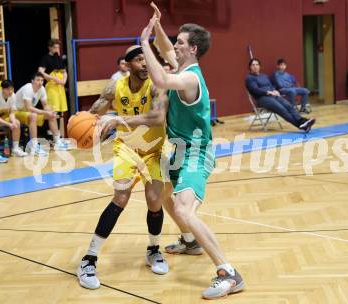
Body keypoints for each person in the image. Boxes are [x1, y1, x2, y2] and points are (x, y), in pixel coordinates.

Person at [103, 5, 245, 299]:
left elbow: (162, 80)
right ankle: (190, 241)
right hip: (177, 151)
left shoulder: (190, 78)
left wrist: (143, 43)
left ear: (192, 49)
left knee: (183, 207)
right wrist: (156, 25)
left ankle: (229, 273)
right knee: (162, 193)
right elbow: (166, 49)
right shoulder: (182, 65)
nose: (174, 45)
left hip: (196, 152)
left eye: (180, 42)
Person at [76, 45, 169, 290]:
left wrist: (119, 119)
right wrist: (82, 124)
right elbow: (95, 112)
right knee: (120, 197)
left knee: (154, 201)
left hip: (154, 149)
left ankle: (153, 250)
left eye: (146, 59)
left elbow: (158, 118)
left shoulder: (157, 85)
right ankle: (89, 259)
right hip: (127, 149)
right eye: (139, 60)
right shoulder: (115, 86)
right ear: (127, 65)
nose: (145, 64)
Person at [246, 58, 316, 132]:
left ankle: (302, 121)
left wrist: (275, 90)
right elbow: (255, 90)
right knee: (282, 109)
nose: (255, 66)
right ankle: (300, 125)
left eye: (257, 64)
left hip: (272, 96)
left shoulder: (264, 76)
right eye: (253, 65)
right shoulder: (249, 78)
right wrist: (268, 92)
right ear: (250, 67)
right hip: (262, 99)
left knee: (289, 106)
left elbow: (271, 86)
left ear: (259, 66)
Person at [15, 72, 70, 155]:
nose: (40, 82)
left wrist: (50, 112)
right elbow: (29, 108)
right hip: (16, 113)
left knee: (51, 116)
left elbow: (45, 105)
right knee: (33, 116)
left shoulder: (42, 89)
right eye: (38, 80)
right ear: (32, 81)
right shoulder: (28, 88)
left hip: (27, 113)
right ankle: (34, 146)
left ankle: (57, 142)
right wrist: (45, 112)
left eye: (42, 80)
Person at [38, 38, 68, 114]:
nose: (57, 49)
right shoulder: (46, 58)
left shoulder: (59, 58)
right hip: (51, 87)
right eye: (55, 47)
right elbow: (40, 72)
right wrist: (53, 78)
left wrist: (64, 80)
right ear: (50, 48)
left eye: (58, 47)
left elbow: (64, 72)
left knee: (60, 113)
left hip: (60, 87)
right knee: (52, 111)